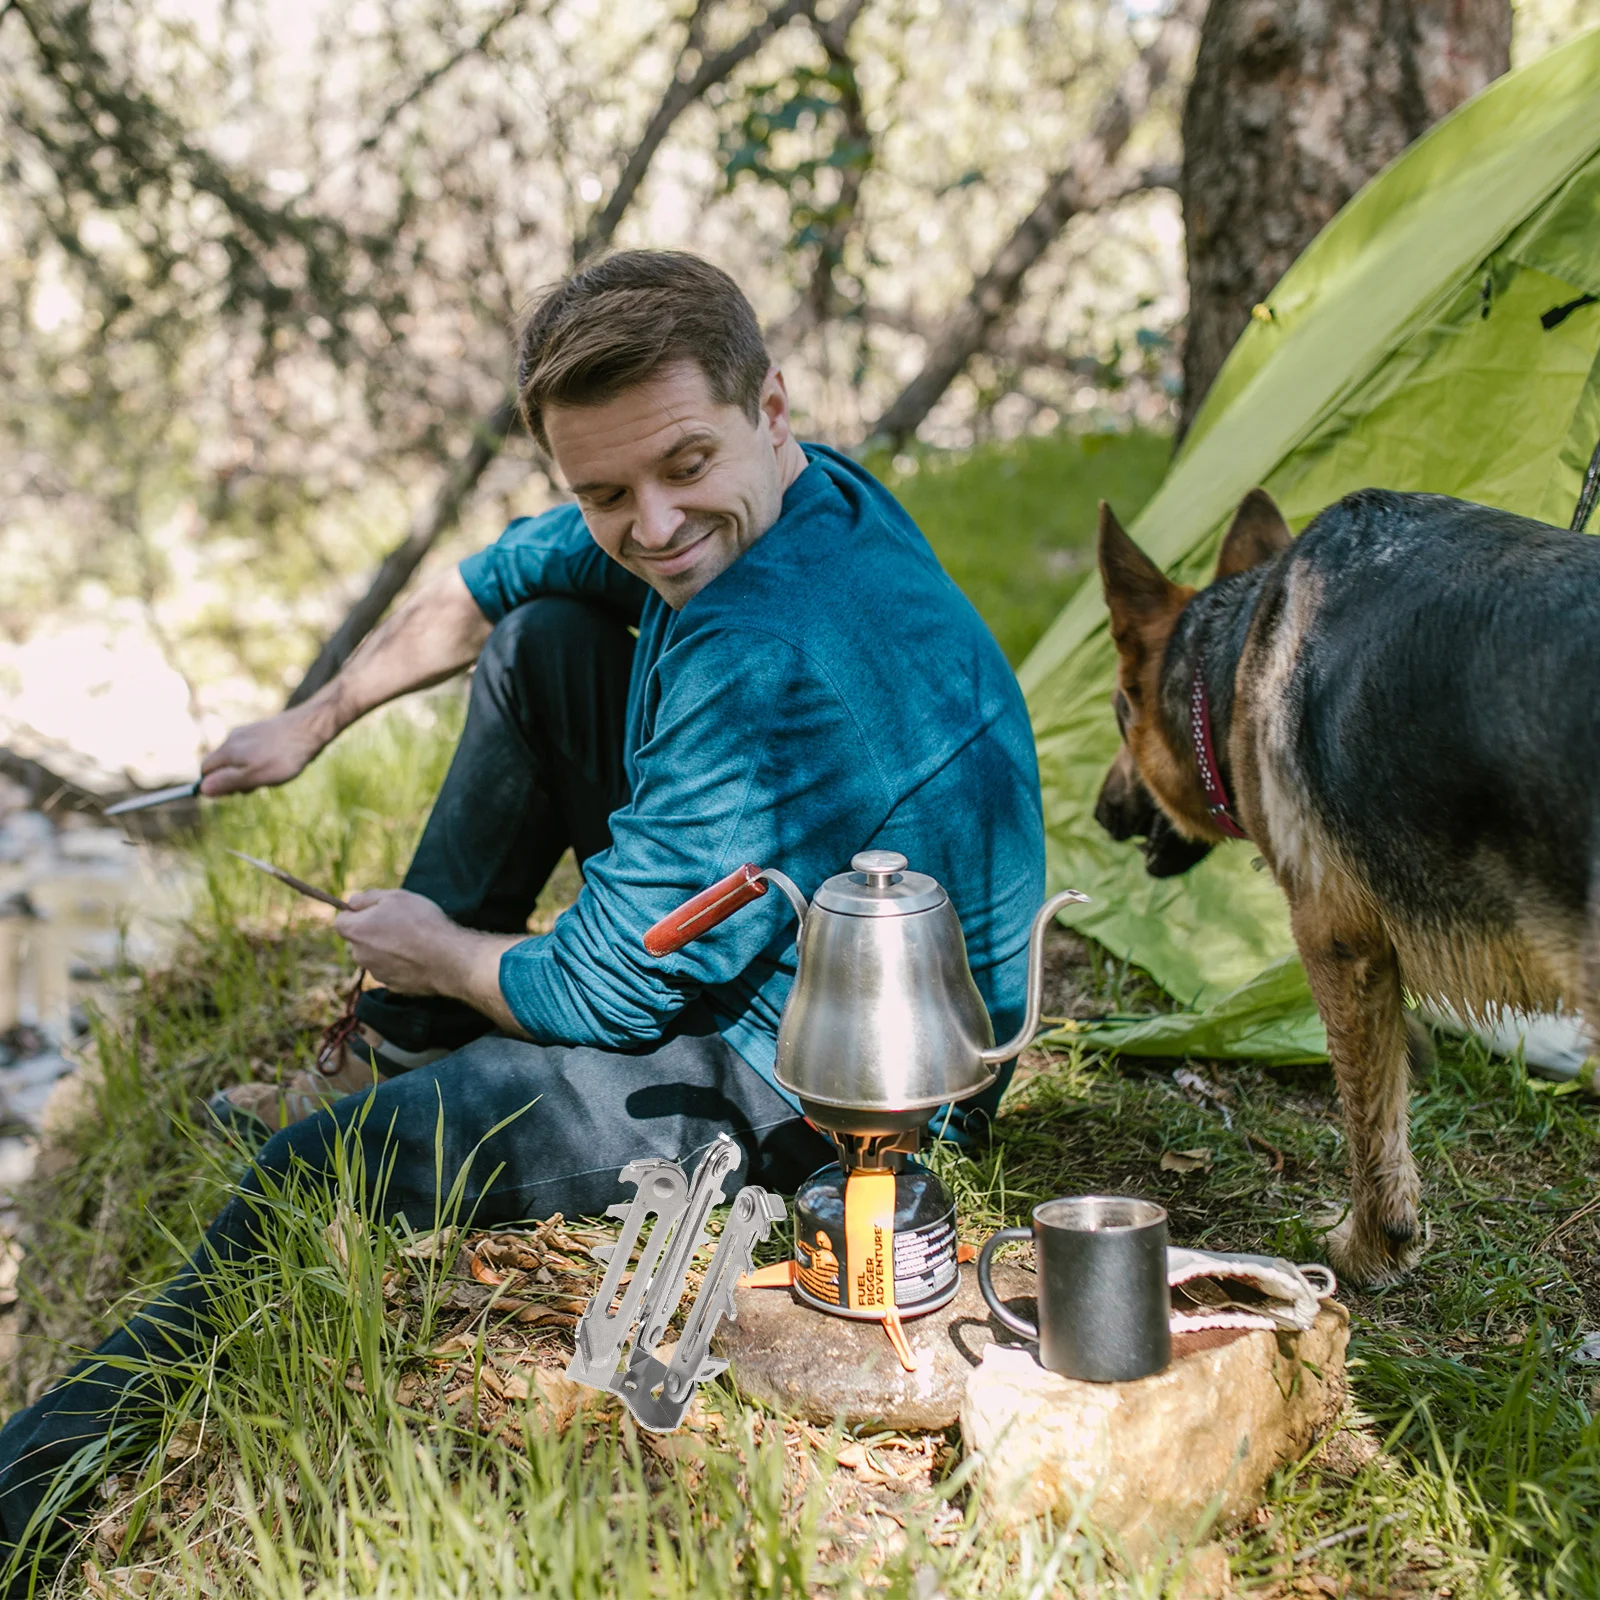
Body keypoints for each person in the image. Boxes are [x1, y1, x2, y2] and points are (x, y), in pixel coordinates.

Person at [0, 250, 1044, 1564]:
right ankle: (397, 1040)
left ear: (771, 407)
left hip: (837, 1075)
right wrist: (313, 722)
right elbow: (498, 580)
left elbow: (604, 989)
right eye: (603, 490)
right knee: (547, 642)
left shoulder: (775, 653)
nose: (652, 524)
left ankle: (23, 1503)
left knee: (310, 1177)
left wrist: (435, 952)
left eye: (681, 468)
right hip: (791, 925)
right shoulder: (797, 494)